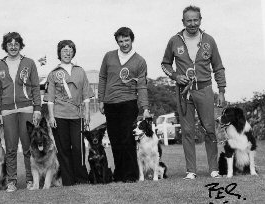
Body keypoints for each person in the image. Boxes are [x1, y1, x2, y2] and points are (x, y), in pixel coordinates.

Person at [161, 5, 226, 180]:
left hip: (204, 89)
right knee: (187, 131)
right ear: (183, 22)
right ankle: (191, 171)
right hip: (183, 92)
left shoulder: (209, 40)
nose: (192, 23)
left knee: (210, 129)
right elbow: (165, 64)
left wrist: (221, 91)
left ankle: (214, 169)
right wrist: (175, 76)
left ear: (200, 20)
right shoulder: (174, 40)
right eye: (188, 20)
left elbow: (218, 67)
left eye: (195, 20)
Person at [97, 27, 150, 183]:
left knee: (127, 139)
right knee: (115, 140)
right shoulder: (108, 56)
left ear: (131, 40)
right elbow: (102, 78)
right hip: (110, 103)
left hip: (128, 103)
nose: (124, 44)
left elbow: (142, 86)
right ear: (117, 42)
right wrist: (101, 100)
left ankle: (131, 174)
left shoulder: (140, 61)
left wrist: (145, 107)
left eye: (126, 40)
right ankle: (119, 173)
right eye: (121, 41)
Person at [0, 32, 41, 192]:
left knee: (28, 147)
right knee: (11, 148)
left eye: (16, 44)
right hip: (7, 111)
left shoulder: (29, 63)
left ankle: (29, 180)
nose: (13, 47)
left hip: (27, 108)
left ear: (20, 45)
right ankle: (11, 181)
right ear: (5, 46)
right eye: (9, 44)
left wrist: (37, 109)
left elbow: (35, 87)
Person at [47, 40, 93, 186]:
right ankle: (68, 180)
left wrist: (87, 113)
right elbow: (50, 98)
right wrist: (51, 116)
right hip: (59, 115)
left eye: (70, 50)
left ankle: (81, 178)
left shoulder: (80, 70)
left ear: (73, 52)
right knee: (64, 149)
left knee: (78, 147)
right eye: (64, 50)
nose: (67, 53)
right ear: (59, 53)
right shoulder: (53, 73)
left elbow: (86, 95)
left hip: (77, 115)